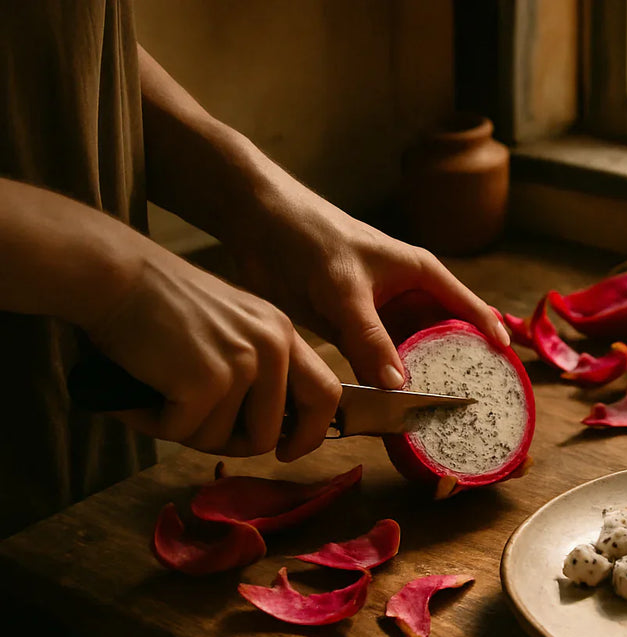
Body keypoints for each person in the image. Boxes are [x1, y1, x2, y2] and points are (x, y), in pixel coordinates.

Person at [0, 1, 509, 540]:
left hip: (88, 429)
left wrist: (253, 199)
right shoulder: (115, 286)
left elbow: (56, 35)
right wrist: (118, 278)